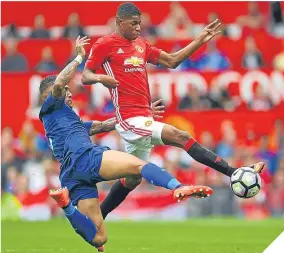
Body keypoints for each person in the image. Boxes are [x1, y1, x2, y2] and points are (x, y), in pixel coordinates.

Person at [82, 3, 266, 220]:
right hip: (129, 120)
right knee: (181, 136)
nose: (139, 28)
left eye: (140, 24)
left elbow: (171, 61)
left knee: (132, 179)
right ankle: (233, 172)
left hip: (144, 117)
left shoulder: (141, 44)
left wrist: (199, 40)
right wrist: (100, 78)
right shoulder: (105, 44)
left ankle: (95, 218)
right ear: (119, 22)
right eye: (134, 24)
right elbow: (86, 75)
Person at [40, 36, 213, 251]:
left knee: (99, 238)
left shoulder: (65, 123)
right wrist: (79, 58)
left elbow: (104, 126)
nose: (69, 93)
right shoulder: (50, 106)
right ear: (50, 95)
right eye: (66, 92)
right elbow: (58, 83)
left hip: (70, 175)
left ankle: (66, 206)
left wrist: (142, 113)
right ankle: (178, 187)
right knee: (138, 166)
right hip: (85, 158)